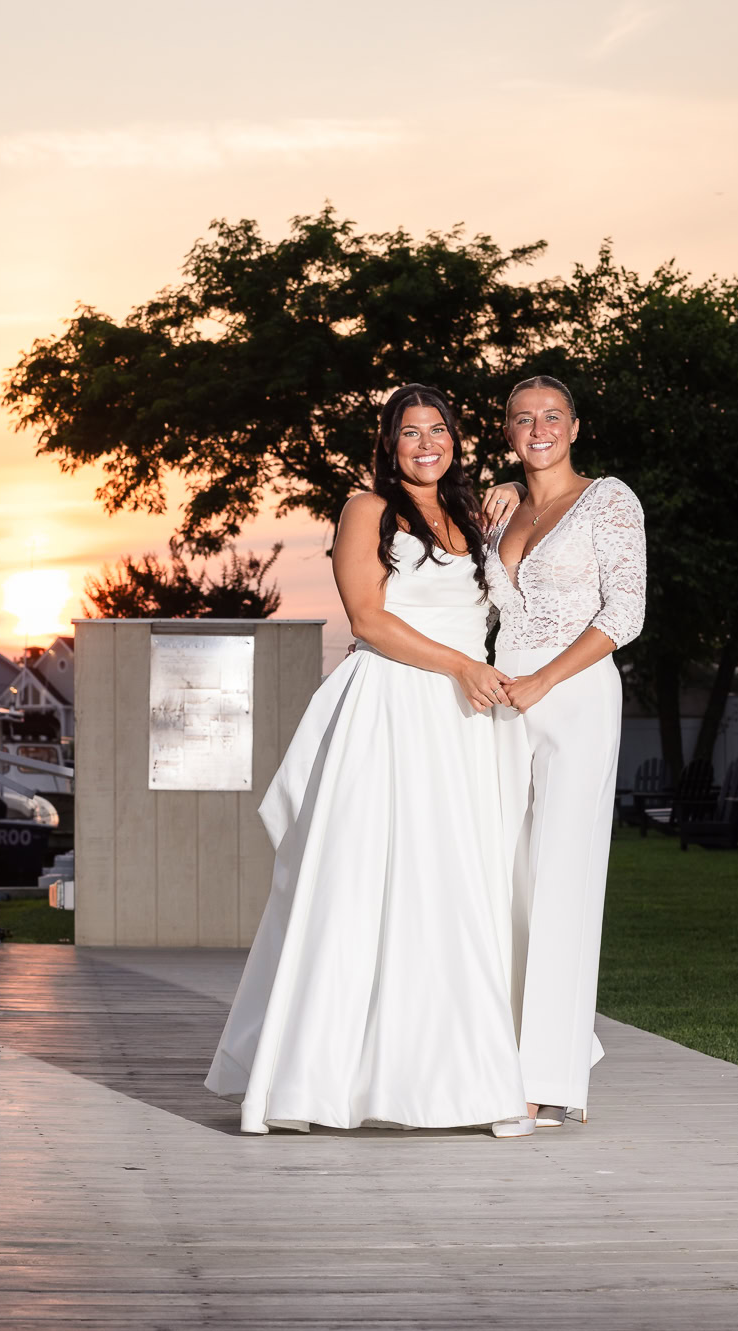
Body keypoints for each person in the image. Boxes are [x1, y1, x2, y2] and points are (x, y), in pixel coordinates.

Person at [205, 384, 534, 1138]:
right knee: (360, 885)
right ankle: (316, 1080)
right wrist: (460, 666)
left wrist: (511, 486)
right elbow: (369, 619)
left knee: (456, 884)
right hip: (392, 707)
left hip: (460, 721)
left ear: (457, 437)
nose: (427, 443)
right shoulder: (366, 508)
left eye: (439, 430)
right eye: (410, 432)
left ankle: (466, 1080)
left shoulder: (475, 517)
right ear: (388, 444)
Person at [481, 375, 645, 1128]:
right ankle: (544, 1046)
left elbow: (627, 613)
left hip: (573, 696)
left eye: (553, 417)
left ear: (576, 427)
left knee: (562, 881)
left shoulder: (609, 500)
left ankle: (545, 1079)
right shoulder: (502, 508)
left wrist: (544, 679)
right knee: (504, 878)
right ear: (508, 430)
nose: (538, 427)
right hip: (504, 705)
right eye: (524, 418)